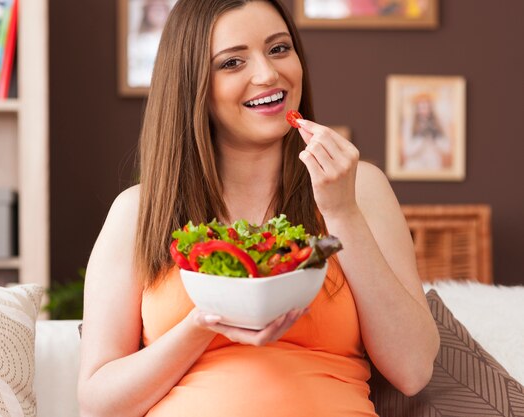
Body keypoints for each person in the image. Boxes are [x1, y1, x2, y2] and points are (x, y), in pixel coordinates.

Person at [78, 1, 440, 416]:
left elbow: (413, 370)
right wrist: (202, 326)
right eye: (232, 62)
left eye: (279, 49)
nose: (268, 74)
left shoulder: (361, 189)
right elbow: (98, 403)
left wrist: (342, 213)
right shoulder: (138, 211)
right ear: (191, 83)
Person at [401, 92, 452, 171]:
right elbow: (408, 151)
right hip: (414, 167)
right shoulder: (409, 123)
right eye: (421, 106)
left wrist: (435, 136)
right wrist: (421, 136)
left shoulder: (440, 123)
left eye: (427, 105)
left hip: (434, 167)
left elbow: (446, 149)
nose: (424, 109)